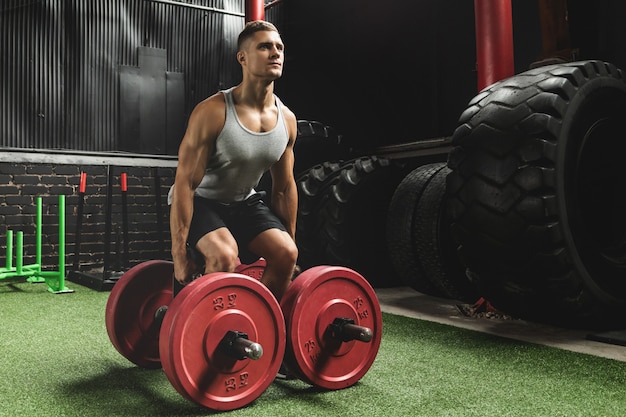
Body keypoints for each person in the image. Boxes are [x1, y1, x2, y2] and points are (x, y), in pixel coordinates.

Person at [168, 20, 298, 303]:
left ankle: (257, 321)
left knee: (286, 254)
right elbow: (185, 184)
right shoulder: (213, 111)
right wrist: (179, 255)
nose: (275, 53)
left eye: (279, 47)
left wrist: (289, 241)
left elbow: (284, 188)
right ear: (243, 57)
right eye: (264, 47)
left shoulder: (287, 120)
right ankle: (208, 335)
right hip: (201, 200)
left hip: (243, 202)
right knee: (224, 256)